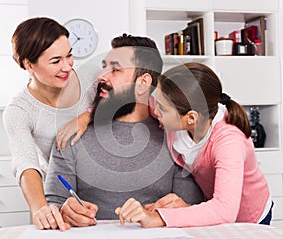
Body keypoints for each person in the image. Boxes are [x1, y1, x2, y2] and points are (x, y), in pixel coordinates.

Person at [44, 34, 204, 227]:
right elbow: (53, 203)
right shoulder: (72, 134)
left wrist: (184, 208)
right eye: (104, 66)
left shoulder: (177, 139)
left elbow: (194, 208)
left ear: (143, 83)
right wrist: (63, 210)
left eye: (115, 69)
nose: (101, 76)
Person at [115, 62, 273, 228]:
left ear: (191, 118)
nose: (155, 111)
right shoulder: (178, 109)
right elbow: (140, 100)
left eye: (162, 108)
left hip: (248, 217)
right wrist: (87, 116)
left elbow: (224, 210)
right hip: (212, 209)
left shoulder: (229, 143)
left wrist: (157, 218)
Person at [2, 17, 96, 231]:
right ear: (29, 64)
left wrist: (87, 115)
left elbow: (127, 99)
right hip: (67, 198)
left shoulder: (90, 77)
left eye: (69, 55)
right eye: (56, 61)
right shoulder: (19, 111)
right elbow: (26, 164)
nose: (67, 67)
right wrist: (40, 208)